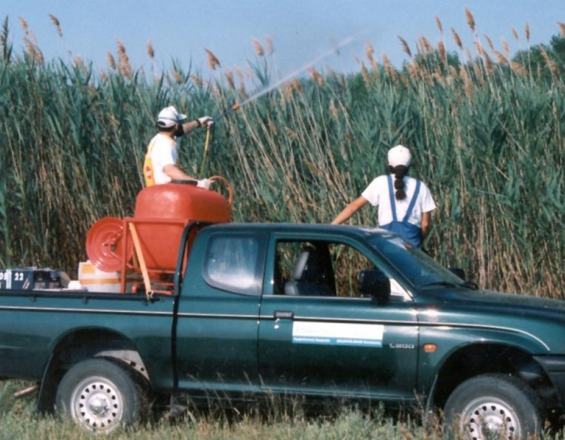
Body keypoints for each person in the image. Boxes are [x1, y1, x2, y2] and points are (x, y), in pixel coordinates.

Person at [332, 145, 436, 248]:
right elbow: (425, 224)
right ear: (409, 166)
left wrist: (332, 226)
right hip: (412, 244)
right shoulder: (421, 186)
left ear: (389, 165)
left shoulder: (380, 182)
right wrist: (419, 241)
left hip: (387, 243)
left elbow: (353, 207)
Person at [143, 106, 214, 187]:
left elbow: (181, 130)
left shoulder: (157, 139)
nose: (181, 125)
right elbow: (170, 170)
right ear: (176, 126)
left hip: (155, 191)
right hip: (165, 194)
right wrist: (197, 183)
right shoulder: (166, 144)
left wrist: (199, 122)